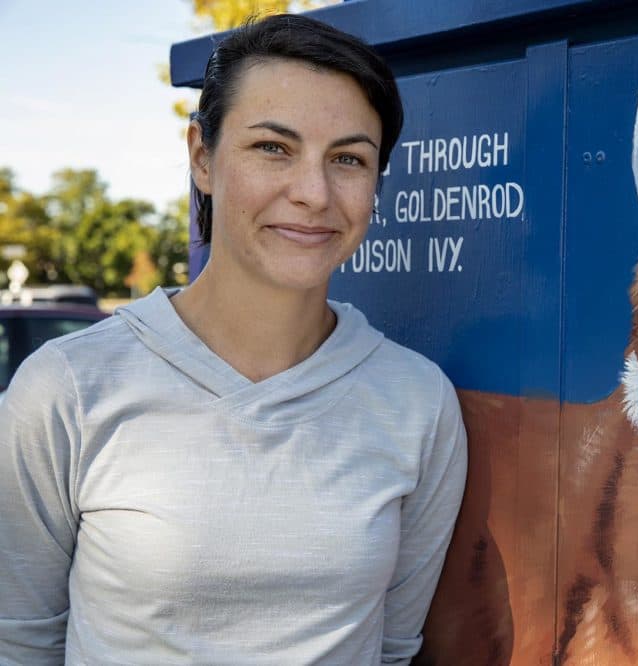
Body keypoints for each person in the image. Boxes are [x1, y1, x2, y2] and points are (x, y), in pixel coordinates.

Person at [0, 14, 467, 665]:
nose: (312, 193)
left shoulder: (418, 402)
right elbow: (17, 642)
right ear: (202, 157)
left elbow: (389, 648)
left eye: (349, 159)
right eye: (273, 147)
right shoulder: (66, 390)